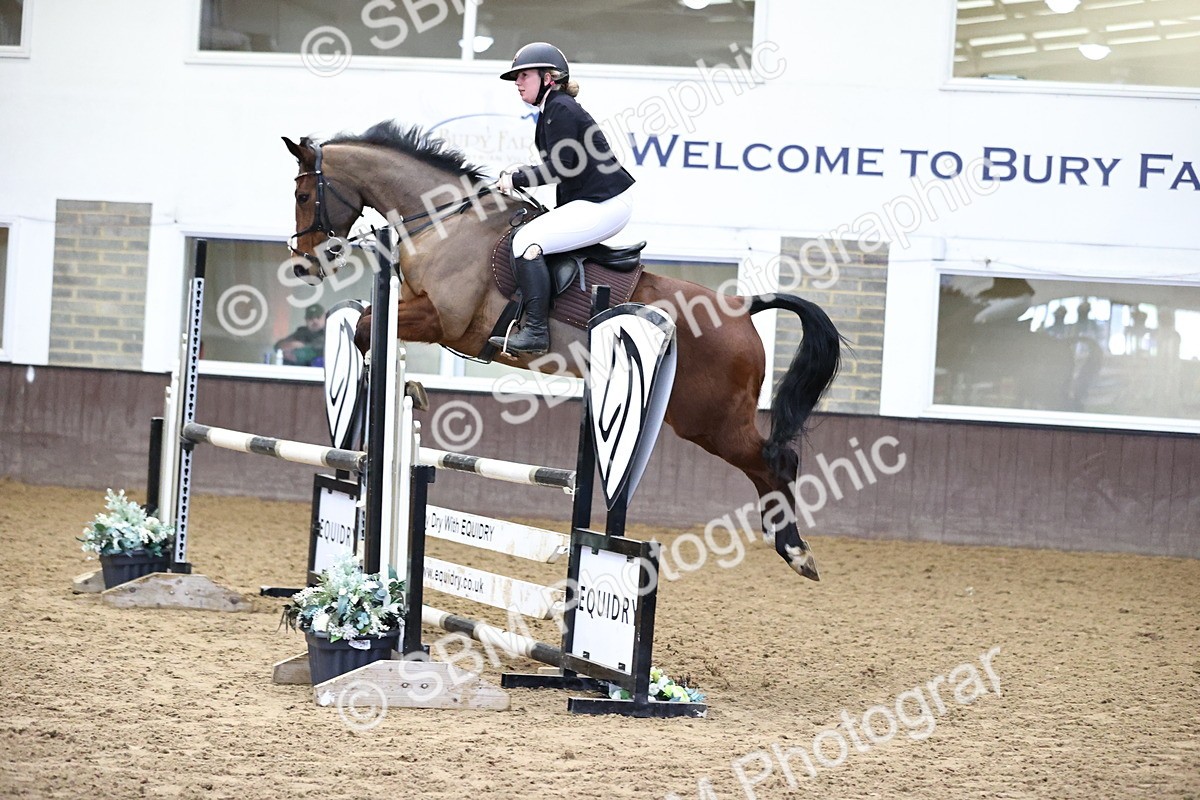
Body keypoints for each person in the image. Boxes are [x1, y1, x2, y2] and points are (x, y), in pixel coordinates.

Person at [489, 42, 636, 355]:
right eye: (517, 77)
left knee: (526, 243)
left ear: (548, 78)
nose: (517, 82)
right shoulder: (550, 112)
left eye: (524, 75)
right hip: (593, 201)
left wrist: (517, 178)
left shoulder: (561, 108)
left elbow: (561, 167)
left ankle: (536, 332)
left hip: (605, 204)